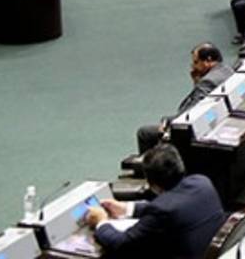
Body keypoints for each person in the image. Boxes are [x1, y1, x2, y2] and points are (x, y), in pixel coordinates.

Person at [85, 144, 226, 259]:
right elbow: (174, 206)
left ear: (153, 185)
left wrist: (101, 222)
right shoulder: (202, 182)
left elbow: (122, 244)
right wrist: (127, 208)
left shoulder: (163, 211)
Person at [136, 43, 234, 153]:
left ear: (208, 60)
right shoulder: (227, 70)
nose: (193, 67)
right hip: (217, 121)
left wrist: (168, 122)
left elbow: (191, 114)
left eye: (196, 62)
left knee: (144, 133)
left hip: (197, 133)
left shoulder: (208, 82)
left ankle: (151, 168)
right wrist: (197, 83)